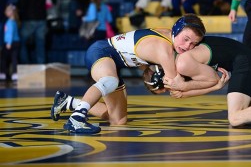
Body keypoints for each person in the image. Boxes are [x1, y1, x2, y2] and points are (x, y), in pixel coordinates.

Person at [50, 13, 206, 134]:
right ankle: (76, 119)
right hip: (101, 51)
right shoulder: (164, 50)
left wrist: (146, 70)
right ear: (177, 31)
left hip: (114, 60)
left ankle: (68, 102)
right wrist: (212, 85)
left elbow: (137, 50)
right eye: (186, 39)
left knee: (118, 120)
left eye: (194, 44)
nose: (187, 46)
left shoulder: (168, 35)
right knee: (110, 80)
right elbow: (174, 88)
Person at [159, 36, 251, 130]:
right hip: (248, 60)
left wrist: (184, 86)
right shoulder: (180, 57)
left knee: (235, 117)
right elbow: (186, 92)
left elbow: (212, 80)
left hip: (246, 62)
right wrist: (215, 86)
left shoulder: (183, 62)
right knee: (242, 108)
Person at [17, 0, 56, 64]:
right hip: (42, 17)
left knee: (21, 42)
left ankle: (25, 64)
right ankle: (41, 66)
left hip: (29, 18)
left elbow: (22, 1)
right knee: (40, 44)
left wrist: (21, 15)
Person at [0, 4, 20, 81]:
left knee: (4, 58)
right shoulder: (14, 21)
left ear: (11, 12)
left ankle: (3, 72)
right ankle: (13, 73)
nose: (5, 12)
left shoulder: (10, 22)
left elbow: (10, 33)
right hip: (15, 42)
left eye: (7, 10)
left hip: (10, 42)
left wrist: (9, 43)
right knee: (13, 58)